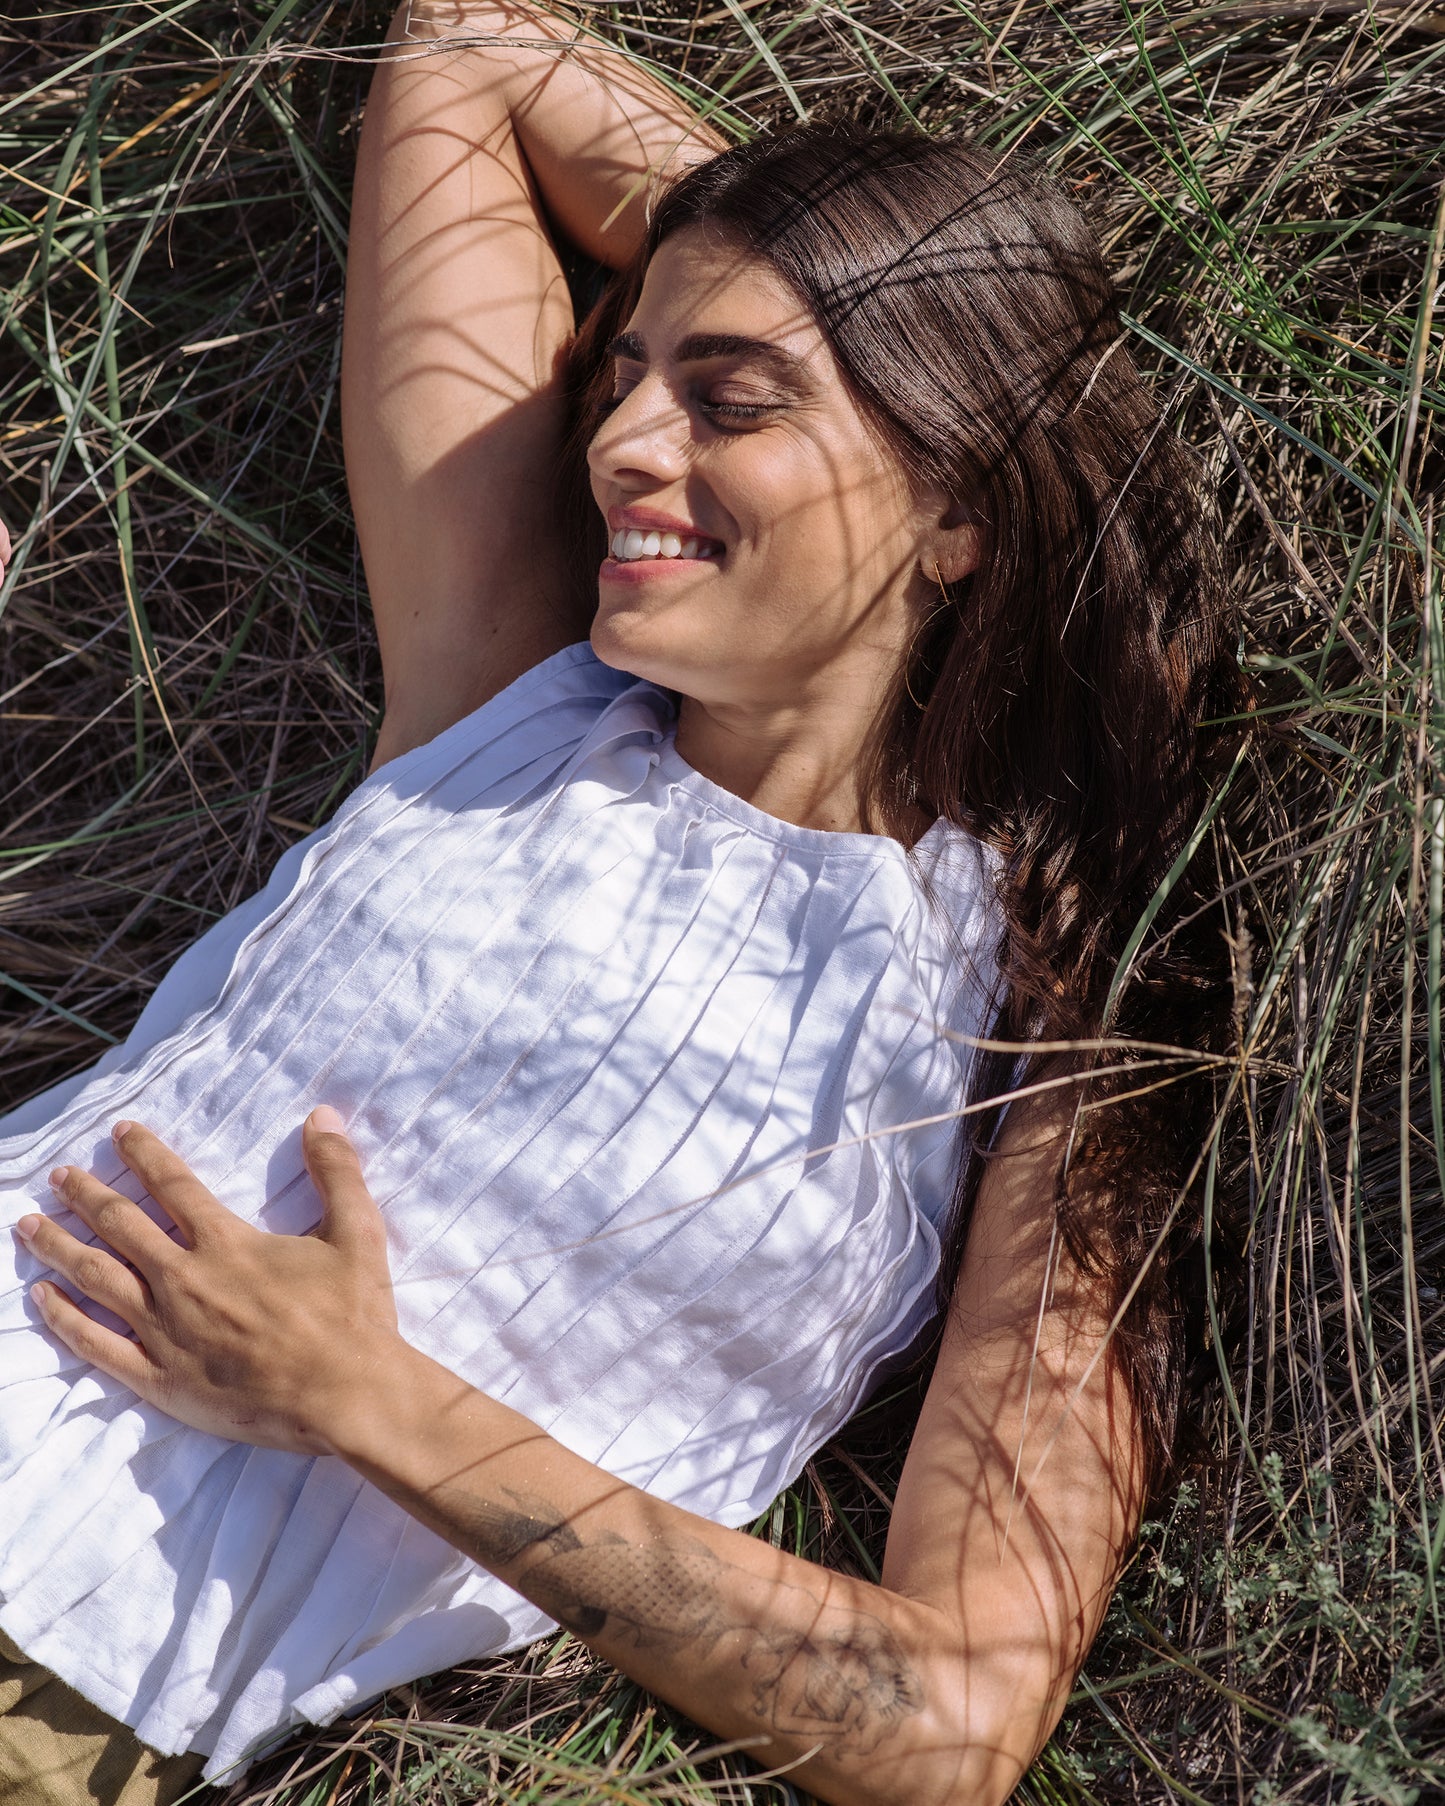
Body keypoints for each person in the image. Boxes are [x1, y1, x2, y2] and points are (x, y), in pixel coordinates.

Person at [0, 4, 1240, 1803]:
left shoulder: (1060, 1031)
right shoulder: (516, 692)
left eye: (728, 399)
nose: (622, 440)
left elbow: (947, 1722)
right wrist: (828, 287)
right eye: (621, 375)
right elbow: (469, 56)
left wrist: (369, 1396)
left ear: (959, 505)